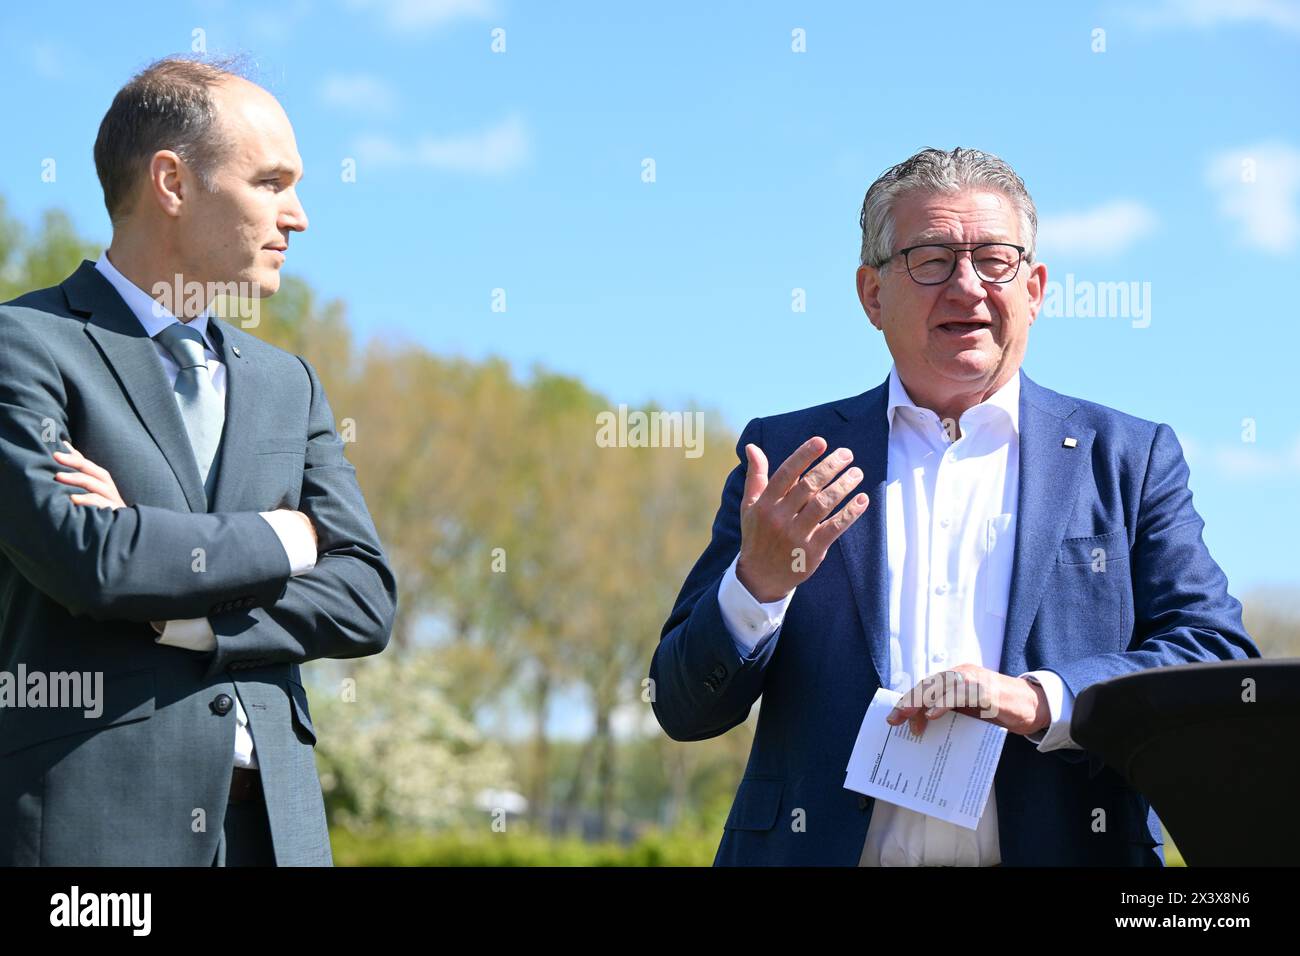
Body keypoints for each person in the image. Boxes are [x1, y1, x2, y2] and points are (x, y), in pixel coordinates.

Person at [648, 146, 1259, 866]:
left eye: (994, 260)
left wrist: (1042, 699)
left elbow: (1216, 660)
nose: (967, 286)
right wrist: (758, 588)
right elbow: (682, 707)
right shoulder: (789, 458)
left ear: (1034, 288)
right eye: (930, 258)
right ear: (872, 296)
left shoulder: (1127, 458)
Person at [0, 56, 396, 866]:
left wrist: (191, 618)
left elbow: (364, 596)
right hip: (93, 836)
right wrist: (286, 540)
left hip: (276, 836)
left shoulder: (290, 384)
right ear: (173, 183)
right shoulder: (23, 347)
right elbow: (91, 561)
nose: (299, 217)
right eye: (271, 182)